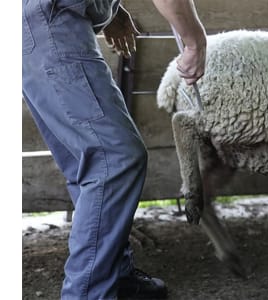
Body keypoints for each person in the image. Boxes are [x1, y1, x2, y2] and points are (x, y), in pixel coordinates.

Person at [22, 0, 207, 299]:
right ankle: (88, 293)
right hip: (51, 22)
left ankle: (113, 275)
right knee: (115, 159)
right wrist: (195, 41)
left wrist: (111, 10)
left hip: (34, 22)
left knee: (86, 161)